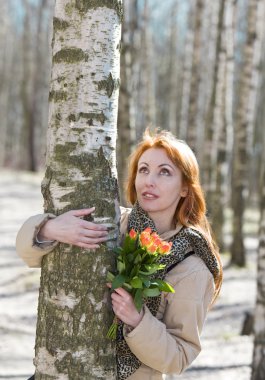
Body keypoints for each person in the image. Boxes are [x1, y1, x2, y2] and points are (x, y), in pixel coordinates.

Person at [16, 129, 223, 380]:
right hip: (67, 367)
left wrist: (138, 321)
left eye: (164, 172)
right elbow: (28, 254)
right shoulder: (114, 222)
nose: (149, 181)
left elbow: (179, 357)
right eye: (144, 170)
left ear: (184, 189)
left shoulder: (193, 268)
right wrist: (49, 228)